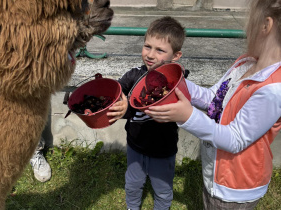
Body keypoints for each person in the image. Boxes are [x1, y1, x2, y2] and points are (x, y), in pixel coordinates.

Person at [145, 0, 281, 209]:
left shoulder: (273, 89)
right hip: (216, 172)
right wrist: (176, 84)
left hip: (236, 186)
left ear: (266, 25)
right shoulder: (246, 63)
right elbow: (213, 98)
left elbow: (235, 139)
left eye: (250, 22)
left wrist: (187, 116)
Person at [108, 16, 186, 210]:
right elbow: (119, 88)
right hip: (135, 146)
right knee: (133, 184)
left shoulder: (177, 83)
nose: (150, 54)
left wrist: (129, 110)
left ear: (175, 56)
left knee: (163, 190)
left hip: (163, 150)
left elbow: (162, 105)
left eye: (160, 50)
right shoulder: (134, 74)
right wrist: (113, 95)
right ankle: (132, 207)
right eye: (147, 46)